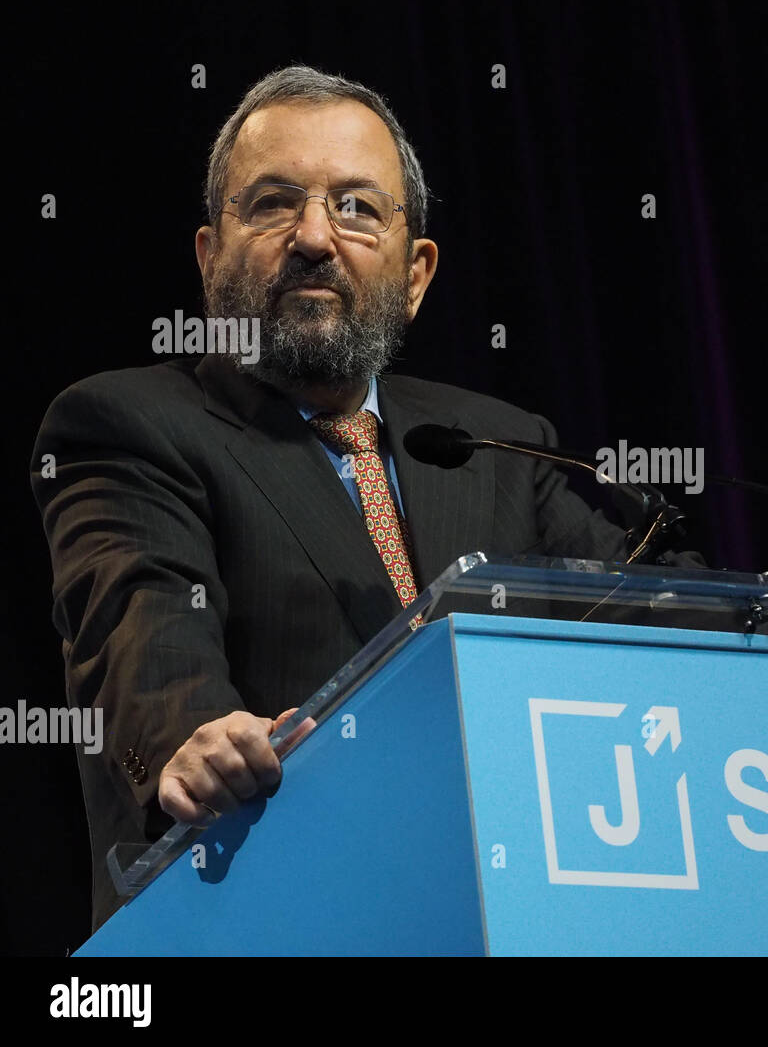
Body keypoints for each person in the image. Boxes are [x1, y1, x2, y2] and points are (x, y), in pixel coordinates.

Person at [30, 65, 692, 932]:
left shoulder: (490, 441)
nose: (313, 235)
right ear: (208, 256)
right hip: (261, 917)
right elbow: (140, 621)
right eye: (272, 203)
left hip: (516, 911)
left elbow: (647, 602)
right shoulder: (128, 425)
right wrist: (191, 735)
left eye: (356, 207)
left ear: (416, 273)